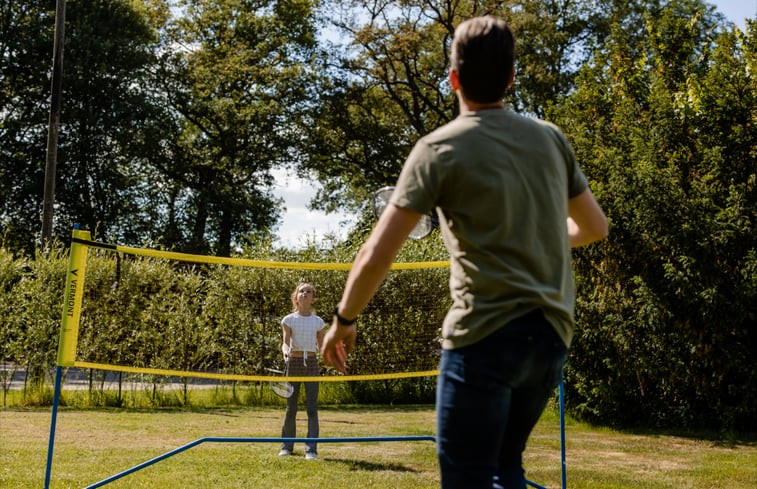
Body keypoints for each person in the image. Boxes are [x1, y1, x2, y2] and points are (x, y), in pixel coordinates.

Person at [321, 15, 608, 489]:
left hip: (484, 336)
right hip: (551, 335)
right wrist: (535, 234)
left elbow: (379, 251)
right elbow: (594, 227)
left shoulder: (438, 149)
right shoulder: (550, 138)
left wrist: (344, 319)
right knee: (505, 468)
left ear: (453, 78)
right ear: (512, 77)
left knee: (468, 478)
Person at [278, 282, 325, 460]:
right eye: (301, 291)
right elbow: (285, 341)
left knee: (312, 408)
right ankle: (286, 447)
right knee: (291, 408)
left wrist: (331, 357)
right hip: (294, 362)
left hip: (311, 363)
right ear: (296, 297)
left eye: (309, 292)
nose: (305, 293)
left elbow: (321, 347)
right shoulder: (288, 320)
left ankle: (311, 450)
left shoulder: (318, 322)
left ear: (313, 299)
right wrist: (285, 350)